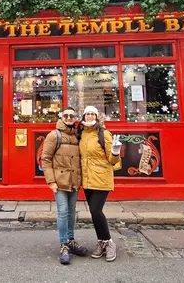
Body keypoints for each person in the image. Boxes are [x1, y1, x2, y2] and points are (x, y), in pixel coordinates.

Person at [40, 107, 88, 265]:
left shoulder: (77, 135)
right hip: (60, 181)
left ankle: (71, 240)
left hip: (74, 181)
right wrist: (51, 181)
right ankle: (63, 245)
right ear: (61, 117)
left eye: (72, 116)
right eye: (66, 115)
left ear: (75, 118)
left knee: (71, 212)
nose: (68, 118)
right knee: (63, 212)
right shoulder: (54, 135)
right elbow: (45, 159)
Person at [79, 106, 121, 262]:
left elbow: (112, 159)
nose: (89, 116)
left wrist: (115, 151)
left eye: (92, 114)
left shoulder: (104, 133)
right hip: (87, 179)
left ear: (97, 117)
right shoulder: (81, 133)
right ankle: (101, 241)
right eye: (87, 114)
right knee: (93, 212)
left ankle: (109, 243)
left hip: (102, 177)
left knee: (96, 210)